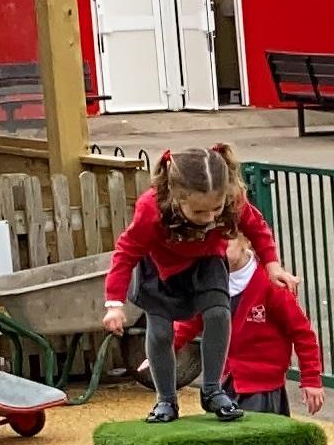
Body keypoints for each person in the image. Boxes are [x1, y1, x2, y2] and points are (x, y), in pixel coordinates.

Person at [100, 145, 294, 423]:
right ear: (177, 198)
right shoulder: (151, 208)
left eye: (216, 209)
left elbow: (256, 227)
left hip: (206, 262)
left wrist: (273, 264)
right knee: (161, 331)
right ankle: (166, 400)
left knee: (218, 312)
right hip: (161, 269)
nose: (211, 218)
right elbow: (126, 252)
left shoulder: (231, 199)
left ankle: (213, 390)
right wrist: (114, 303)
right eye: (200, 212)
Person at [171, 235, 323, 417]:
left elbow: (302, 333)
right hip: (225, 381)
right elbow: (191, 319)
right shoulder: (212, 281)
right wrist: (166, 346)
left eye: (226, 243)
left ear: (246, 241)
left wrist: (311, 379)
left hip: (261, 386)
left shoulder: (271, 284)